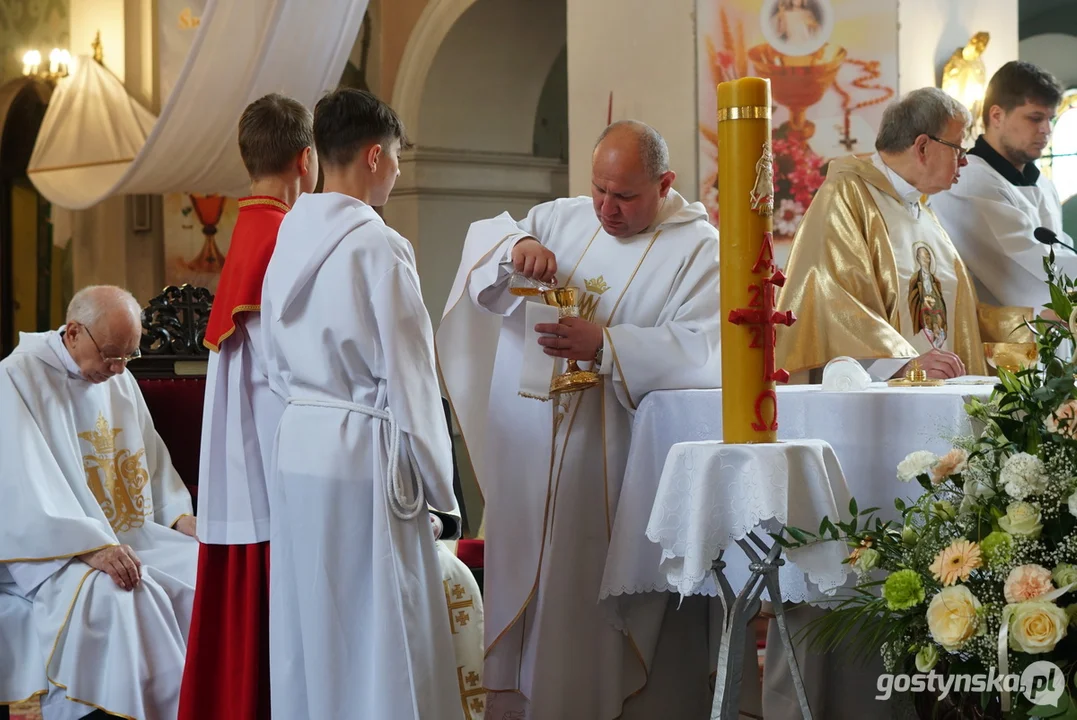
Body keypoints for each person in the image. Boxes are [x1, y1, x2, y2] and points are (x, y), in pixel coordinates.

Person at [438, 120, 749, 720]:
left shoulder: (698, 249)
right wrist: (513, 252)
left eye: (625, 196)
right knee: (535, 598)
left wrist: (607, 344)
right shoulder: (564, 218)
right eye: (599, 189)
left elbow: (708, 350)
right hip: (537, 452)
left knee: (585, 610)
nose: (606, 208)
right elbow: (487, 248)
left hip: (620, 464)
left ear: (665, 184)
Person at [260, 88, 462, 720]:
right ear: (374, 155)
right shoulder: (379, 247)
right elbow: (411, 378)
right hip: (361, 451)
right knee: (380, 628)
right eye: (397, 158)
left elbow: (272, 361)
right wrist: (442, 489)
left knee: (313, 622)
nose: (398, 172)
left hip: (299, 445)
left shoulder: (287, 238)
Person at [177, 93, 317, 720]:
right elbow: (296, 368)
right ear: (306, 160)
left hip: (241, 456)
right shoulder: (289, 236)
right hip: (272, 455)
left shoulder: (249, 228)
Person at [0, 285, 197, 720]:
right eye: (110, 354)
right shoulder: (16, 377)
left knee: (204, 566)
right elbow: (20, 487)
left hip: (130, 532)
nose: (117, 368)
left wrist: (179, 514)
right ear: (72, 332)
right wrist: (89, 546)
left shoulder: (117, 375)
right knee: (127, 595)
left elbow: (150, 457)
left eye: (129, 356)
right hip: (52, 551)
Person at [776, 87, 1030, 383]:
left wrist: (1028, 325)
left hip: (940, 394)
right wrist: (904, 367)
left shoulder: (923, 211)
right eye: (959, 149)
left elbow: (960, 317)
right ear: (922, 146)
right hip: (881, 402)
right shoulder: (846, 195)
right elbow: (831, 300)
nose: (964, 162)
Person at [933, 61, 1071, 310]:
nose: (1046, 130)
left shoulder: (1042, 183)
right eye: (1035, 118)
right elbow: (1023, 267)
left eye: (1050, 119)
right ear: (996, 115)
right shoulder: (968, 180)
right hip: (999, 339)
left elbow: (1060, 247)